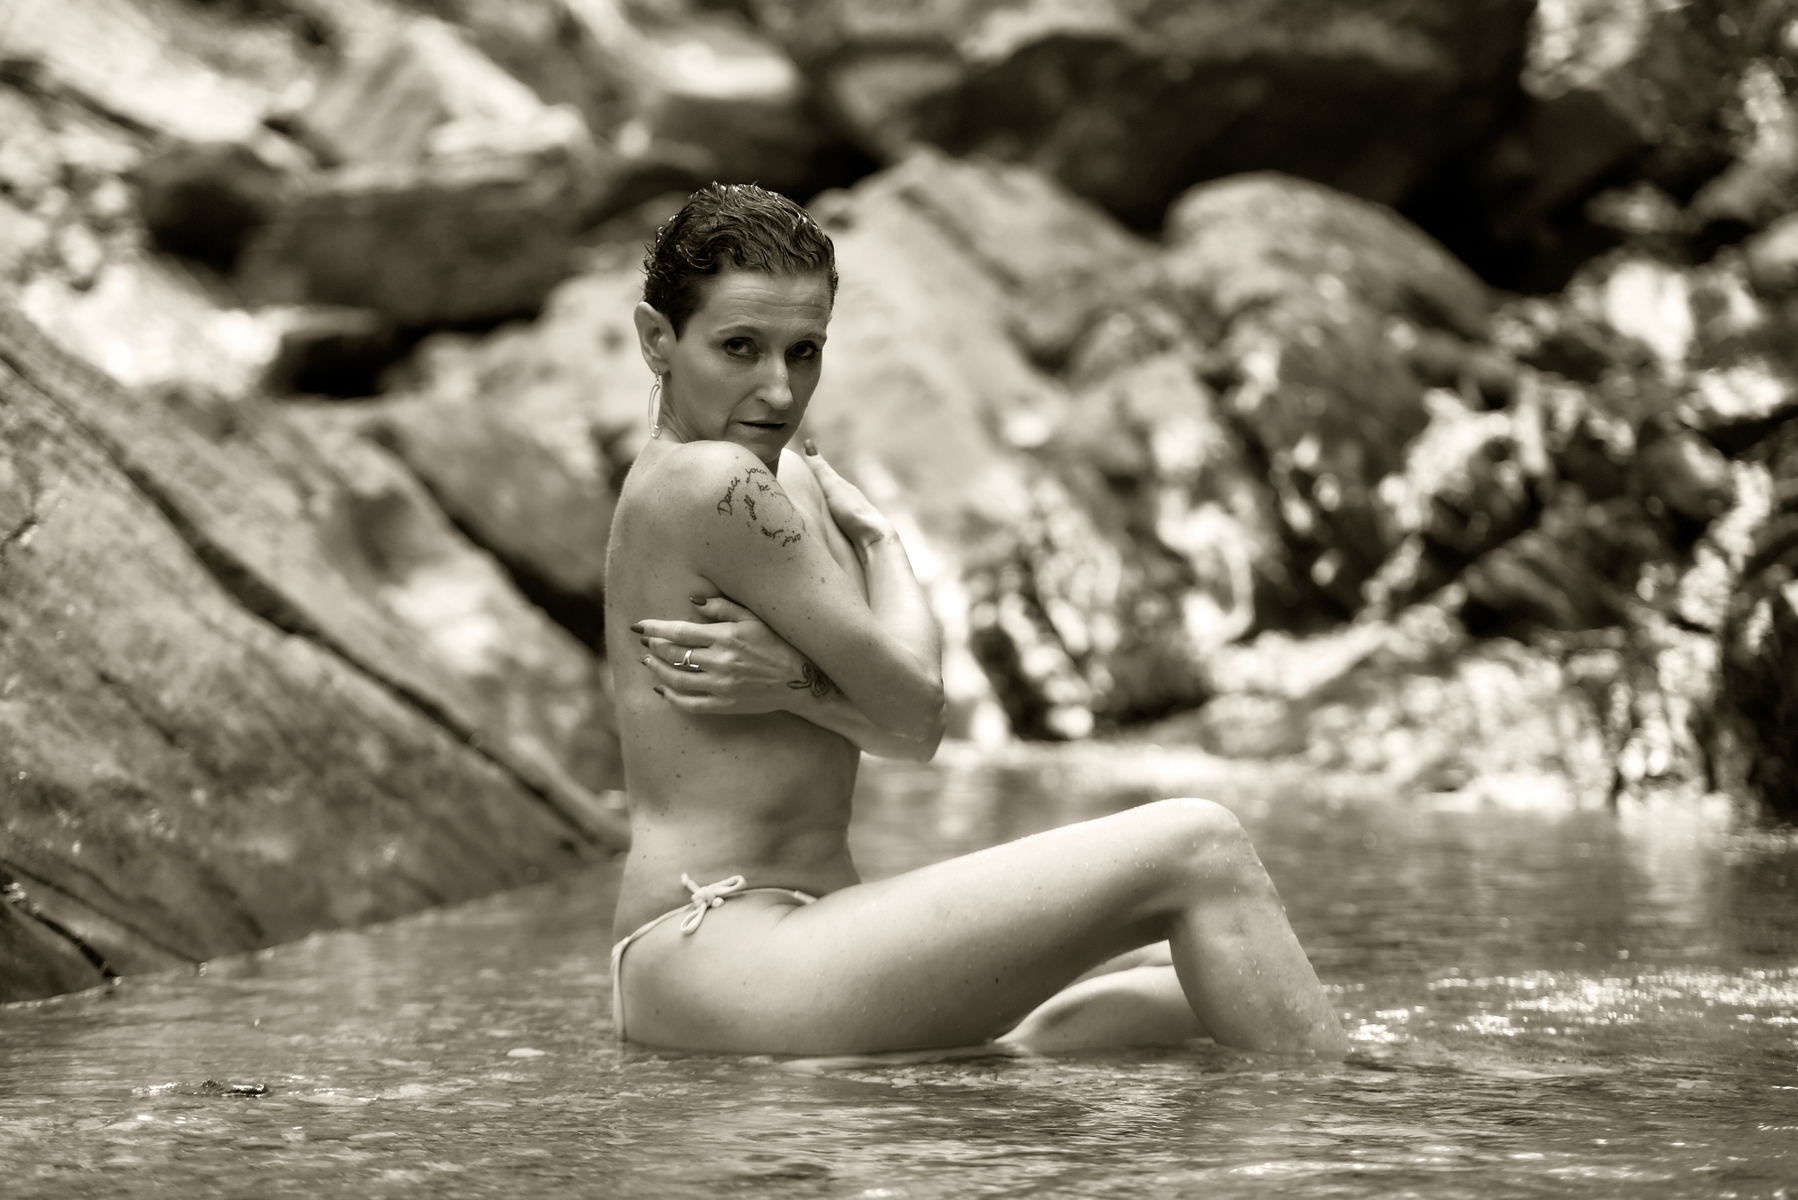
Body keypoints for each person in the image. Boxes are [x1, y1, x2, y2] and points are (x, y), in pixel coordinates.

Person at [604, 182, 1347, 1058]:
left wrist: (875, 552)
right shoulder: (711, 481)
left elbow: (909, 731)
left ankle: (998, 1062)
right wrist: (828, 678)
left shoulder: (782, 474)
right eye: (740, 348)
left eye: (804, 352)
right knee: (1201, 847)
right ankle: (1344, 1127)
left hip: (798, 934)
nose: (778, 388)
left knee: (1210, 976)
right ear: (657, 339)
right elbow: (915, 706)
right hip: (719, 943)